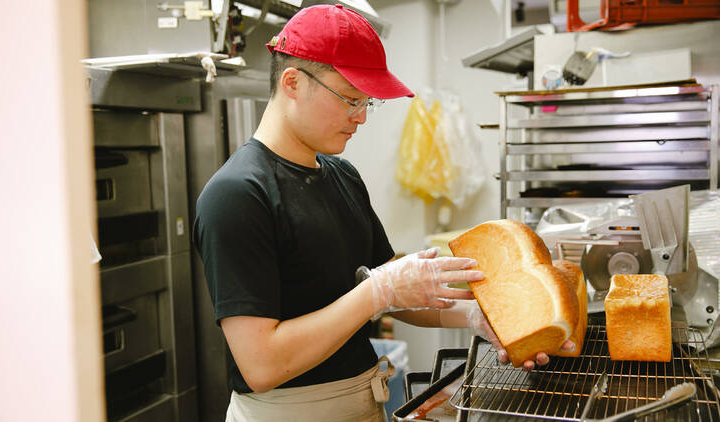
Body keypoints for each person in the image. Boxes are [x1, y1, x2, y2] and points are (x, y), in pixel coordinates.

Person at [193, 5, 572, 421]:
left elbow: (401, 292)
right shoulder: (237, 195)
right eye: (350, 99)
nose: (360, 117)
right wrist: (376, 293)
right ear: (293, 83)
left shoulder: (341, 175)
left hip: (362, 402)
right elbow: (262, 364)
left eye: (367, 103)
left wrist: (478, 315)